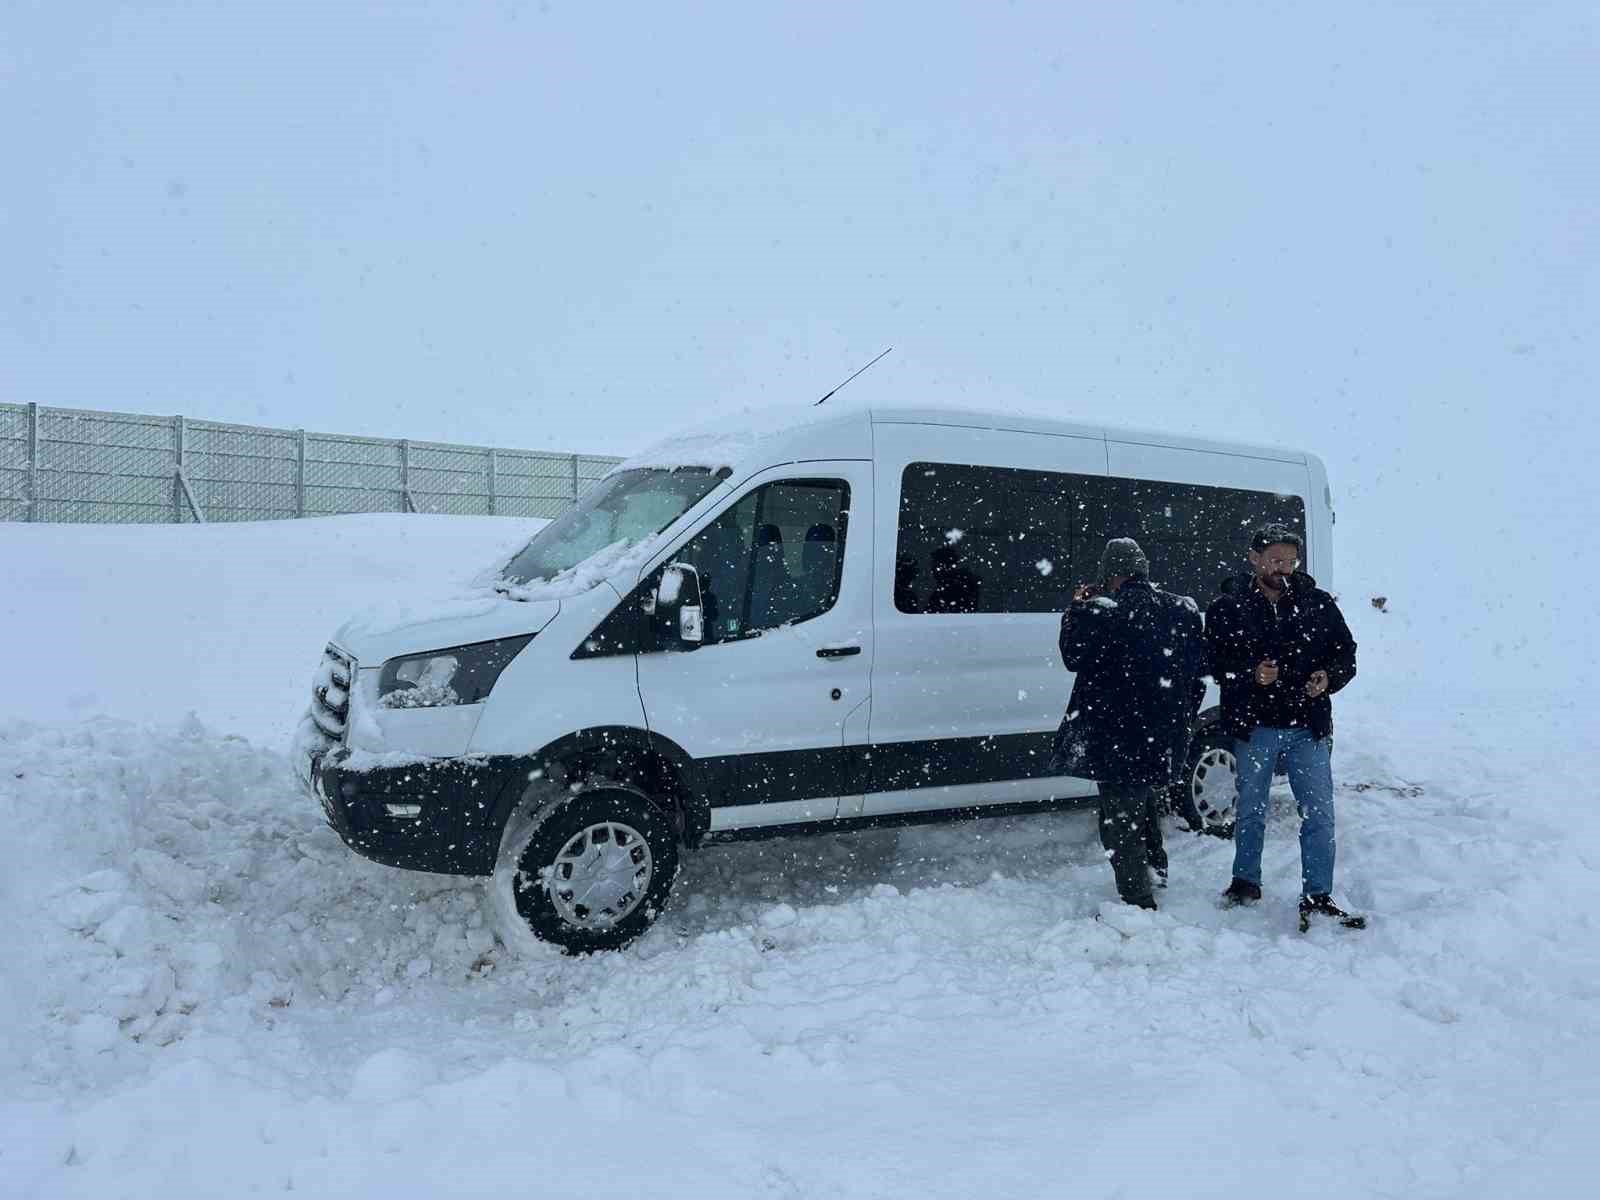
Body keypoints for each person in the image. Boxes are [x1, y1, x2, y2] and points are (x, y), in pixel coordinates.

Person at [1205, 523, 1364, 930]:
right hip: (1255, 726)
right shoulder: (1228, 606)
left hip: (1307, 727)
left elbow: (1346, 652)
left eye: (1291, 561)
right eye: (1275, 560)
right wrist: (1249, 675)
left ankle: (1318, 896)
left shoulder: (1318, 603)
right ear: (1254, 558)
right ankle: (1245, 882)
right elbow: (1213, 664)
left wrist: (1328, 677)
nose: (1284, 568)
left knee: (1320, 814)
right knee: (1251, 810)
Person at [1050, 538, 1207, 909]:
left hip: (1114, 733)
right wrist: (1179, 715)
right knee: (1145, 801)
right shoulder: (1182, 608)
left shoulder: (1101, 609)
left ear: (1110, 575)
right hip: (1161, 730)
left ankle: (1138, 900)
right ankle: (1156, 871)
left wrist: (1076, 607)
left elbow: (1072, 655)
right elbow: (1199, 670)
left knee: (1121, 818)